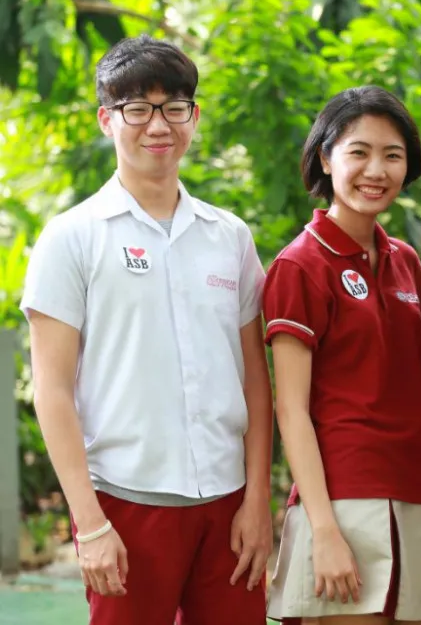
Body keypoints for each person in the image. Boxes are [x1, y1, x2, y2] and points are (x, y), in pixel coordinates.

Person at [20, 34, 272, 625]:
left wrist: (257, 499)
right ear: (108, 119)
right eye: (138, 108)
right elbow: (52, 391)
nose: (158, 125)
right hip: (125, 505)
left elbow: (254, 381)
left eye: (174, 107)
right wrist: (90, 523)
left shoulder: (229, 236)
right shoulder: (73, 236)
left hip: (228, 505)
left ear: (193, 116)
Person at [263, 85, 421, 625]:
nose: (376, 169)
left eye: (392, 155)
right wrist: (324, 531)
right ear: (326, 158)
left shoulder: (404, 260)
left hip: (417, 489)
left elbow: (411, 367)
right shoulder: (300, 265)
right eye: (359, 152)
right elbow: (291, 410)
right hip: (344, 503)